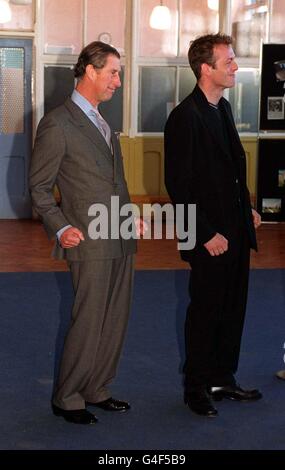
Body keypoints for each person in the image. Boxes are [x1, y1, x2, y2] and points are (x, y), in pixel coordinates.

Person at [29, 41, 139, 424]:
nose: (118, 82)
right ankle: (69, 396)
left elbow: (114, 183)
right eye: (113, 72)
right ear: (90, 71)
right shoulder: (57, 123)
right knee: (89, 318)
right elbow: (39, 188)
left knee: (115, 317)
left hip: (121, 235)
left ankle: (97, 388)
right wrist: (60, 229)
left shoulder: (103, 122)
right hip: (88, 238)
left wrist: (130, 217)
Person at [164, 33, 262, 417]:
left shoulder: (221, 108)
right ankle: (196, 387)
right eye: (229, 61)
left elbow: (233, 167)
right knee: (205, 310)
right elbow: (179, 186)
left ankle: (223, 377)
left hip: (235, 229)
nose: (235, 67)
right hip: (208, 235)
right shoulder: (184, 117)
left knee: (233, 307)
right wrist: (206, 235)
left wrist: (247, 207)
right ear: (206, 69)